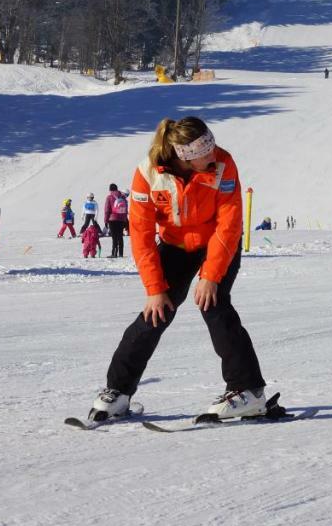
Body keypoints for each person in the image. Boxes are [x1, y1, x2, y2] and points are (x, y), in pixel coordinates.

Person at [84, 116, 268, 424]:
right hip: (175, 245)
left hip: (218, 242)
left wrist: (210, 276)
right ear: (184, 155)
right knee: (155, 313)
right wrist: (155, 290)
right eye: (204, 152)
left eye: (211, 145)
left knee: (214, 303)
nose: (214, 153)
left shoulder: (223, 163)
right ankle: (118, 391)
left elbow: (229, 221)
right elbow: (141, 234)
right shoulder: (147, 174)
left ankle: (248, 391)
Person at [104, 183, 129, 258]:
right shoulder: (123, 197)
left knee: (114, 237)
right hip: (121, 220)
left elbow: (107, 210)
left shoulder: (109, 197)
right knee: (120, 236)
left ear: (110, 190)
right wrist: (125, 220)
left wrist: (106, 220)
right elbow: (126, 210)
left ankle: (114, 253)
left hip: (112, 219)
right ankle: (121, 253)